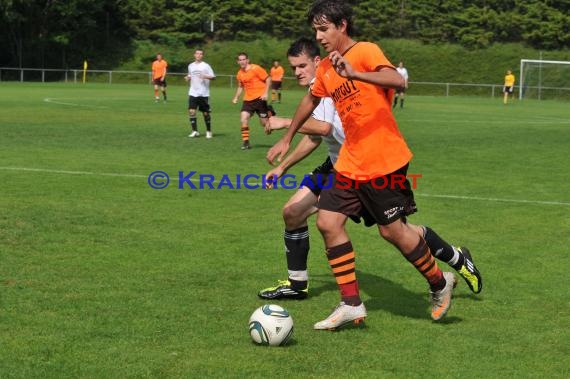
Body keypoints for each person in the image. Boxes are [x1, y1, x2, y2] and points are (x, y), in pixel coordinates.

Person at [267, 0, 477, 329]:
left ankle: (440, 282)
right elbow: (311, 99)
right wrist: (286, 136)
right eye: (315, 30)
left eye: (324, 29)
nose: (319, 36)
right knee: (327, 222)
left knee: (393, 231)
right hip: (349, 162)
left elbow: (397, 80)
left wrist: (354, 73)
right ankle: (351, 303)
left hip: (383, 158)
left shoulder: (365, 51)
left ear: (342, 26)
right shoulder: (324, 69)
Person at [232, 52, 274, 150]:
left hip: (260, 99)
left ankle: (269, 112)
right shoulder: (239, 73)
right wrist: (236, 97)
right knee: (243, 118)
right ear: (238, 62)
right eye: (240, 60)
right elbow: (240, 86)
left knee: (265, 125)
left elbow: (268, 79)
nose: (242, 61)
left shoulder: (256, 68)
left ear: (247, 60)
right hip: (248, 100)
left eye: (244, 59)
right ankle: (246, 142)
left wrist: (266, 93)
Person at [185, 49, 216, 139]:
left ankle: (209, 131)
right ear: (194, 55)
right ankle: (195, 131)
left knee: (205, 113)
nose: (198, 55)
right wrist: (188, 77)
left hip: (203, 93)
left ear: (202, 56)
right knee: (191, 111)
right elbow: (190, 75)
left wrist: (205, 76)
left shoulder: (206, 66)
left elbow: (213, 77)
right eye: (197, 53)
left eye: (200, 54)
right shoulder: (190, 66)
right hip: (193, 92)